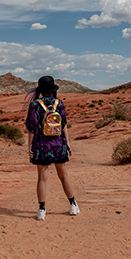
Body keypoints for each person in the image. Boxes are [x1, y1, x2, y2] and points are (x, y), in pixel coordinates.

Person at [24, 75, 79, 220]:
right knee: (64, 176)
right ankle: (73, 204)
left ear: (40, 90)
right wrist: (67, 142)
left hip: (41, 145)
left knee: (42, 178)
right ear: (53, 89)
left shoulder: (35, 105)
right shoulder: (58, 103)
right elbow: (64, 124)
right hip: (58, 144)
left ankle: (42, 209)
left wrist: (29, 145)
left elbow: (32, 127)